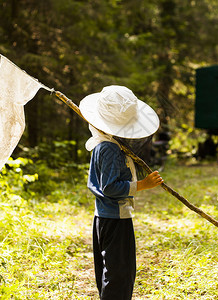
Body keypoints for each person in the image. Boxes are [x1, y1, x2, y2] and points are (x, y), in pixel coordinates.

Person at [79, 85, 163, 300]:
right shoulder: (108, 148)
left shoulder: (103, 145)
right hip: (114, 218)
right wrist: (143, 184)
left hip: (105, 217)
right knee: (119, 274)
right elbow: (109, 187)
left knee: (112, 270)